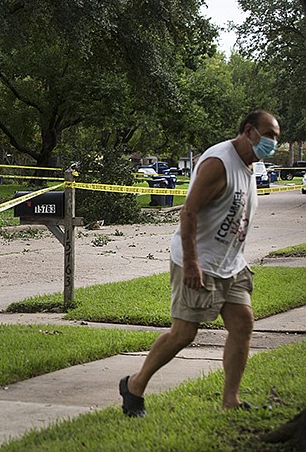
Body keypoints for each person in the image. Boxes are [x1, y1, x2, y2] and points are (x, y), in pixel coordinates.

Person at [119, 110, 281, 417]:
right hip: (199, 262)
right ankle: (134, 385)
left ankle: (230, 400)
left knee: (243, 323)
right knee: (184, 334)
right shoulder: (218, 163)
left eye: (277, 137)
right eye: (270, 135)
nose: (274, 142)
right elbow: (188, 213)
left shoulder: (249, 166)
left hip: (231, 264)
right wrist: (192, 264)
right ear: (249, 131)